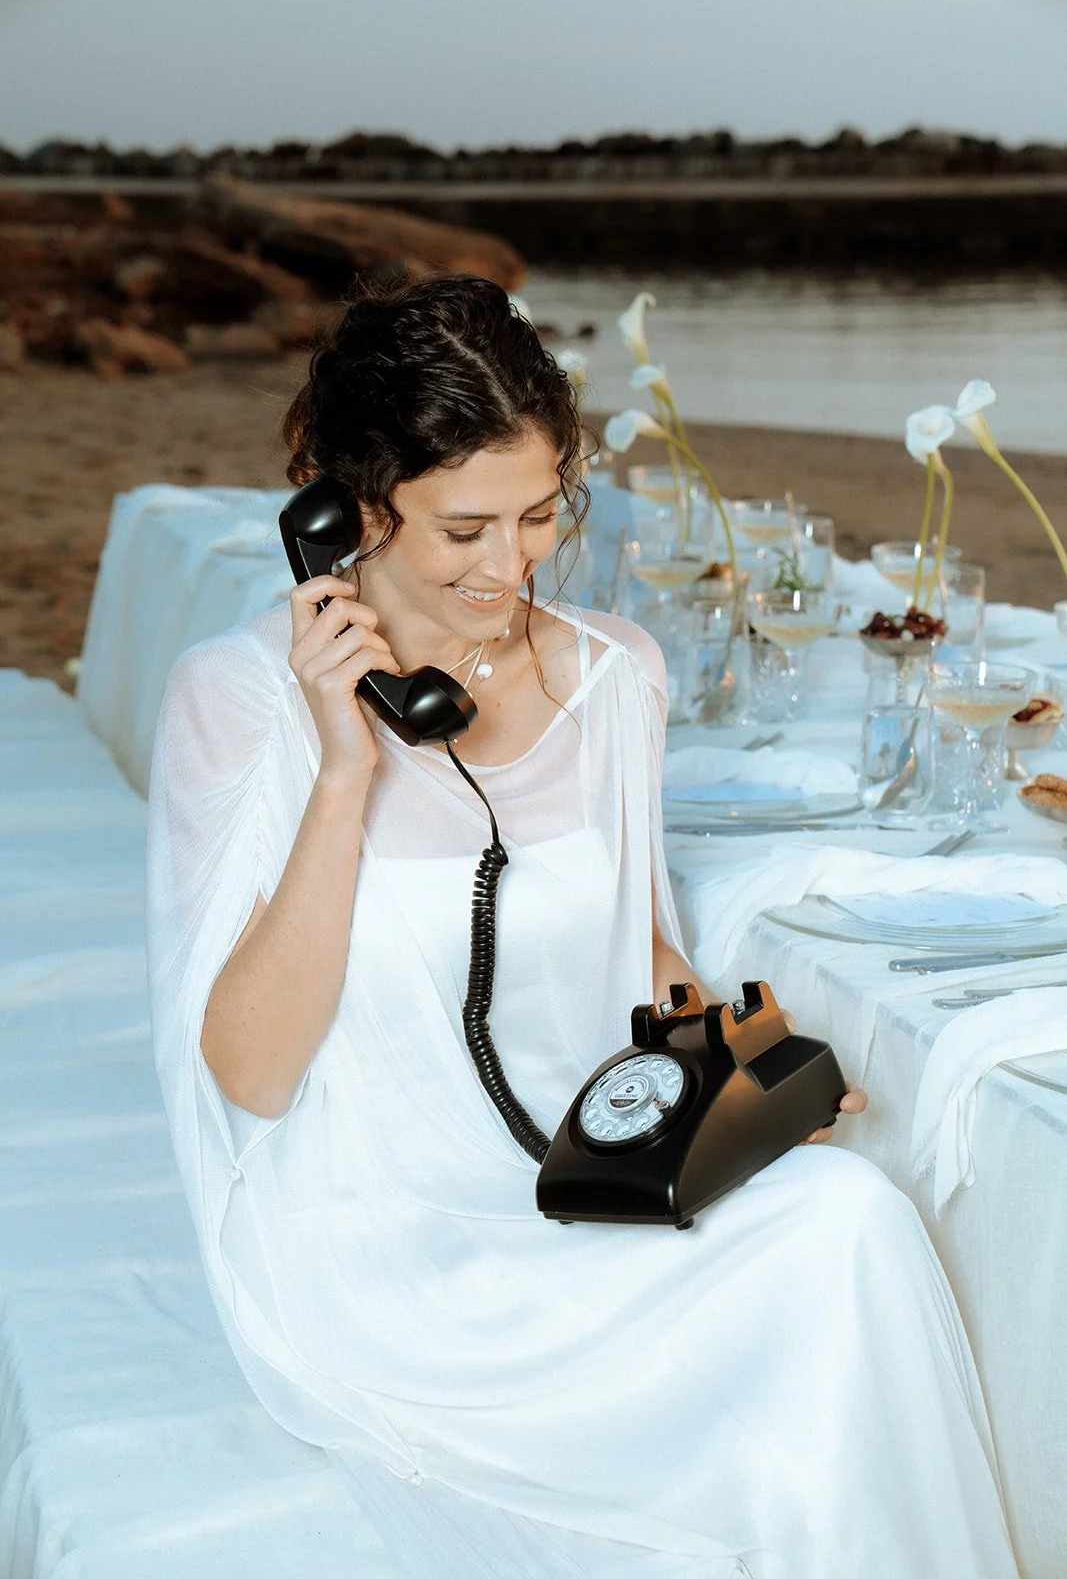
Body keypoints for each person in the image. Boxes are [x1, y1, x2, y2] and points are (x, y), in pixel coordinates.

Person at [146, 276, 1019, 1579]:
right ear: (343, 509)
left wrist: (748, 1065)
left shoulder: (617, 676)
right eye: (463, 529)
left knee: (849, 1221)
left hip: (591, 1183)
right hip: (385, 1244)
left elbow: (637, 955)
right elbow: (250, 1073)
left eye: (543, 514)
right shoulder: (238, 702)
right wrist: (344, 774)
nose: (509, 565)